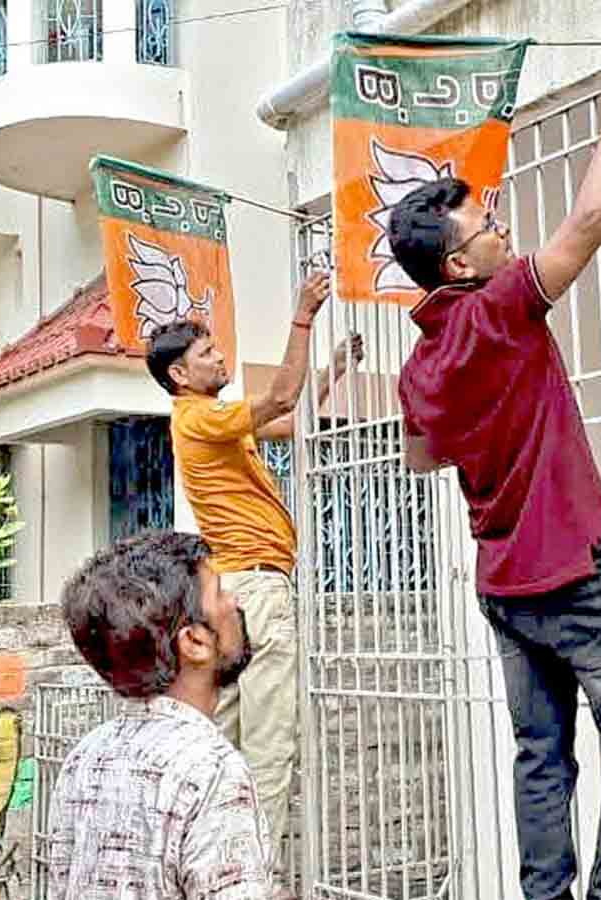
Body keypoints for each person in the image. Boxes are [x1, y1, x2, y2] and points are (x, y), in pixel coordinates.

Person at [391, 89, 601, 900]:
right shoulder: (502, 308)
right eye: (488, 228)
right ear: (457, 265)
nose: (503, 233)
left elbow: (422, 458)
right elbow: (596, 214)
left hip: (506, 587)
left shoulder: (419, 368)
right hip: (578, 574)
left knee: (540, 755)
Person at [145, 272, 363, 875]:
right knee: (270, 742)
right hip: (257, 588)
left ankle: (203, 864)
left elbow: (285, 423)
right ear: (180, 376)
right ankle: (249, 875)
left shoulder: (209, 422)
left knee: (225, 737)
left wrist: (336, 371)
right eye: (207, 353)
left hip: (235, 589)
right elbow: (281, 401)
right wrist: (304, 317)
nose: (220, 357)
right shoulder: (196, 417)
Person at [52, 530, 272, 899]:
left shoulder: (83, 757)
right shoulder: (213, 769)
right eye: (219, 592)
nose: (234, 601)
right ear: (195, 643)